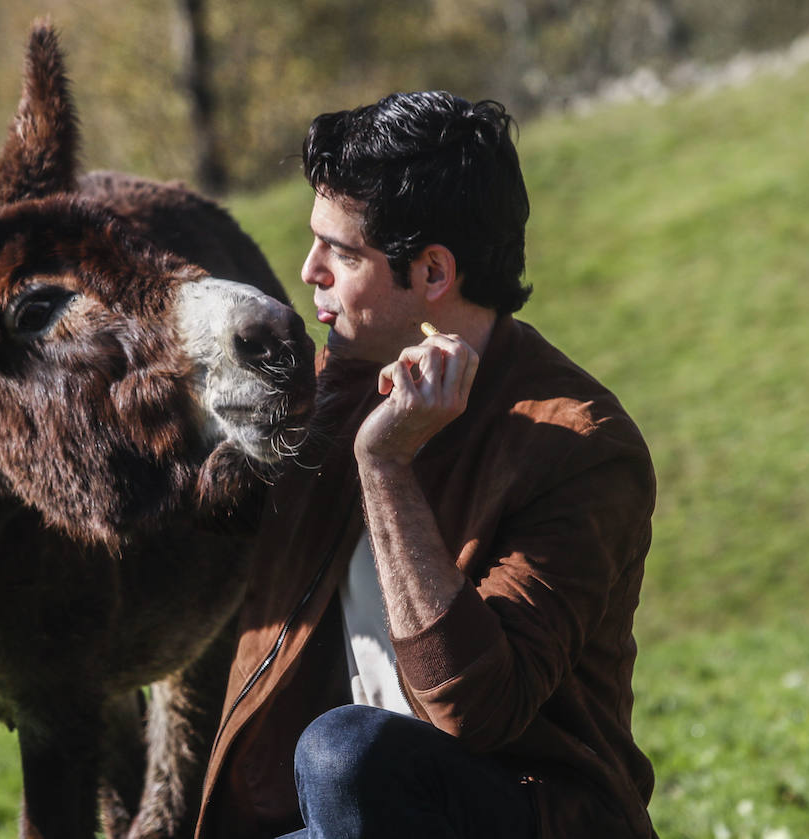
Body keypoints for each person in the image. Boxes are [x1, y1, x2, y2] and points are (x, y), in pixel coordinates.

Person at [192, 90, 659, 839]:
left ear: (434, 271)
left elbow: (478, 705)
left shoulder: (580, 448)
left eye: (341, 252)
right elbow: (204, 520)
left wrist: (385, 465)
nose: (308, 269)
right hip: (337, 823)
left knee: (345, 752)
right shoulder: (335, 386)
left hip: (526, 816)